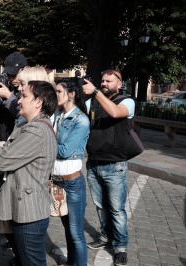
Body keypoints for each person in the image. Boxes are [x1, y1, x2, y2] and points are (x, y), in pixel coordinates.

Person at [0, 80, 58, 266]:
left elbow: (1, 161)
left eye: (24, 96)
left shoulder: (37, 130)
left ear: (38, 102)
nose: (19, 100)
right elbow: (9, 151)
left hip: (29, 213)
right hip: (24, 207)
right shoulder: (31, 126)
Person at [82, 69, 135, 266]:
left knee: (116, 209)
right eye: (102, 81)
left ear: (119, 84)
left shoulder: (126, 101)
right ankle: (106, 237)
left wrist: (95, 92)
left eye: (108, 81)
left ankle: (121, 247)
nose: (104, 84)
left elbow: (114, 112)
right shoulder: (92, 102)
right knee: (100, 206)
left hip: (115, 165)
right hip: (94, 163)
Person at [53, 78, 90, 266]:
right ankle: (71, 262)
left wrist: (45, 144)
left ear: (72, 94)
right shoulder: (58, 115)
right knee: (67, 229)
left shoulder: (81, 120)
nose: (56, 95)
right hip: (57, 181)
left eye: (59, 91)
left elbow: (65, 151)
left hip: (73, 183)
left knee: (76, 233)